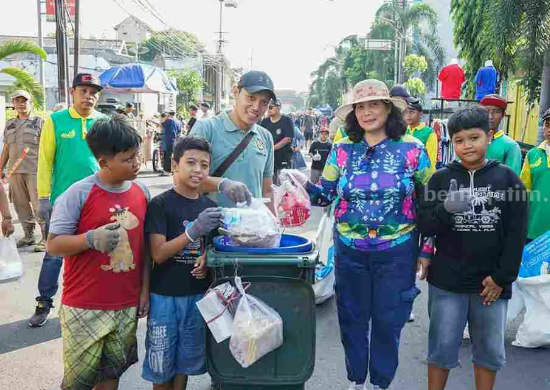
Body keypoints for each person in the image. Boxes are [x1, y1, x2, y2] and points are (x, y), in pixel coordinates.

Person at [283, 79, 432, 390]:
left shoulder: (413, 150)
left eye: (374, 104)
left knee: (388, 320)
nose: (367, 112)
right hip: (350, 250)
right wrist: (299, 182)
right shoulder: (341, 150)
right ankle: (357, 379)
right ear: (353, 113)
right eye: (360, 106)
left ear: (388, 108)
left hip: (398, 250)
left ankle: (380, 382)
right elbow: (324, 195)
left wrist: (427, 249)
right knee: (351, 318)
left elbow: (431, 202)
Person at [417, 107, 528, 390]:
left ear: (489, 137)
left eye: (474, 138)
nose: (467, 145)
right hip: (447, 282)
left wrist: (503, 278)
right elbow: (426, 226)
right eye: (459, 140)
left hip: (490, 284)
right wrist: (446, 208)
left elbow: (516, 233)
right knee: (441, 351)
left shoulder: (507, 180)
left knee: (488, 353)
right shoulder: (440, 179)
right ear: (451, 142)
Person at [46, 117, 150, 390]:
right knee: (78, 382)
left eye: (137, 155)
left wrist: (143, 291)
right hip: (84, 306)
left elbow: (145, 248)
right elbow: (53, 245)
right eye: (128, 158)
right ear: (104, 162)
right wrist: (89, 239)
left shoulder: (142, 192)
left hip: (125, 305)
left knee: (111, 375)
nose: (137, 163)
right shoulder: (77, 194)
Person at [142, 136, 223, 390]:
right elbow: (158, 253)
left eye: (204, 165)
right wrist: (193, 231)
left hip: (196, 296)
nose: (198, 170)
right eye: (190, 162)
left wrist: (207, 257)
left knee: (185, 363)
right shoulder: (160, 204)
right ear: (174, 165)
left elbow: (211, 246)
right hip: (164, 296)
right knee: (161, 363)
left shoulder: (209, 207)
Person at [29, 73, 108, 328]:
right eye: (83, 91)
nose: (89, 96)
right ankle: (44, 302)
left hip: (97, 200)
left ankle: (89, 305)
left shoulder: (103, 122)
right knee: (54, 253)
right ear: (72, 92)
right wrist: (43, 197)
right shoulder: (55, 121)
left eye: (93, 92)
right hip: (62, 202)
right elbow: (44, 161)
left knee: (94, 254)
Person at [191, 70, 277, 214]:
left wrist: (274, 226)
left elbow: (267, 191)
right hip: (212, 228)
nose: (256, 107)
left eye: (264, 102)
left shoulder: (266, 137)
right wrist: (222, 184)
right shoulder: (207, 129)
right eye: (251, 97)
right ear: (236, 92)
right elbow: (181, 179)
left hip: (252, 229)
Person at [0, 90, 45, 250]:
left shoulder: (40, 122)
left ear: (30, 103)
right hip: (14, 172)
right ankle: (29, 235)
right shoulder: (10, 124)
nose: (21, 104)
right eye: (17, 101)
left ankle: (46, 237)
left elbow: (47, 148)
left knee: (39, 205)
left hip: (35, 171)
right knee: (20, 205)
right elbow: (6, 148)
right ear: (13, 104)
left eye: (24, 100)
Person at [520, 107, 550, 243]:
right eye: (547, 125)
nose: (549, 129)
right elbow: (524, 189)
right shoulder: (533, 154)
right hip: (534, 228)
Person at [480, 95, 522, 175]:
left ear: (503, 115)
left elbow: (513, 178)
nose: (490, 116)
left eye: (496, 112)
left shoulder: (511, 146)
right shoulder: (470, 140)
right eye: (486, 111)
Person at [261, 99, 294, 185]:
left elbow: (287, 138)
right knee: (269, 185)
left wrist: (272, 148)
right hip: (268, 159)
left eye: (271, 107)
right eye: (267, 107)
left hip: (283, 158)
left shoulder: (286, 120)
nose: (269, 109)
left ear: (279, 108)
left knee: (283, 184)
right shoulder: (265, 122)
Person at [405, 97, 438, 169]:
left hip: (422, 176)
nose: (408, 115)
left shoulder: (429, 133)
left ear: (420, 114)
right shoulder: (402, 131)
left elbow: (431, 160)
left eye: (411, 112)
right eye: (406, 112)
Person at [161, 112, 179, 176]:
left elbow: (161, 124)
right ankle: (171, 170)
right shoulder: (177, 122)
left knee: (167, 156)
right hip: (173, 140)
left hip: (168, 141)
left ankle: (167, 171)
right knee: (171, 156)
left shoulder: (169, 121)